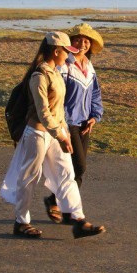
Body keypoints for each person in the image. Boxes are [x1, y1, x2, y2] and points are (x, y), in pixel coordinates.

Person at [0, 31, 106, 239]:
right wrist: (61, 134)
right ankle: (21, 223)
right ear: (57, 51)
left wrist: (63, 132)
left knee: (67, 174)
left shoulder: (56, 72)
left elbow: (57, 110)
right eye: (66, 51)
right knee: (29, 178)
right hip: (37, 134)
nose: (69, 55)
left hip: (57, 133)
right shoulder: (39, 76)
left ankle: (78, 220)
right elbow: (43, 112)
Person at [43, 23, 104, 225]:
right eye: (78, 40)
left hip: (85, 123)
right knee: (78, 167)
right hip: (67, 123)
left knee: (76, 169)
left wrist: (95, 115)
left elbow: (95, 93)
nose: (83, 44)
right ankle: (59, 204)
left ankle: (64, 208)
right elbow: (56, 93)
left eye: (87, 41)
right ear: (71, 42)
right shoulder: (64, 65)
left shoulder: (89, 66)